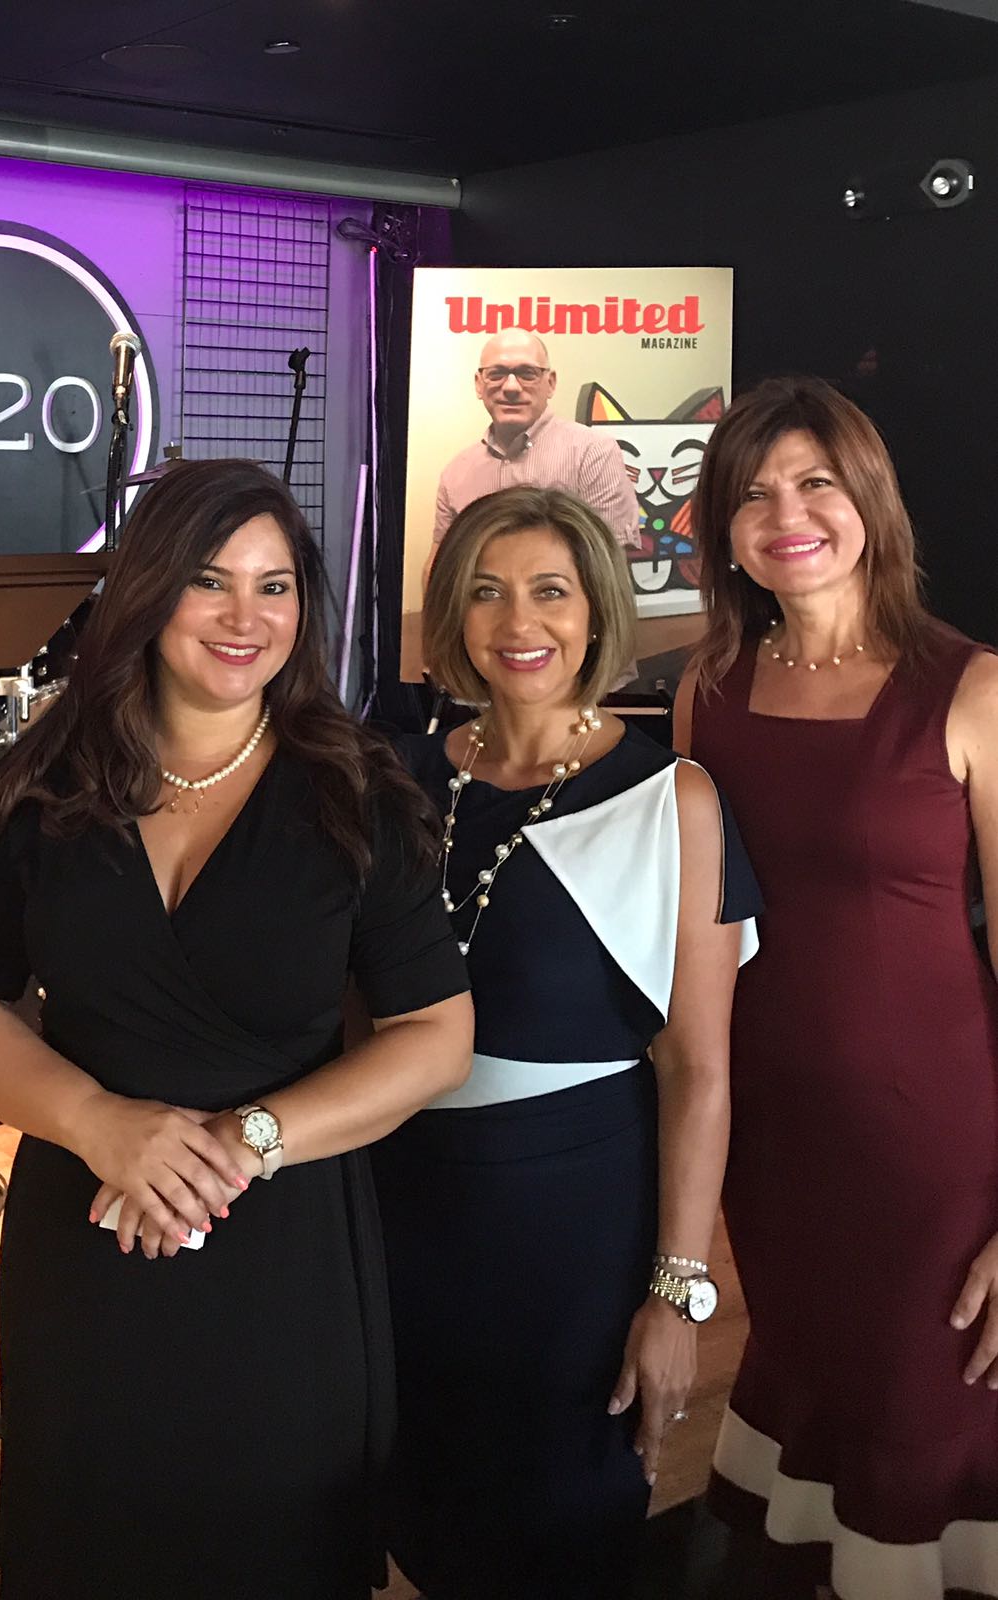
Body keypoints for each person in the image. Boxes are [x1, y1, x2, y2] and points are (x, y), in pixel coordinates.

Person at [0, 458, 474, 1600]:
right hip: (87, 1237)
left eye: (275, 587)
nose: (244, 617)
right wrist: (95, 1120)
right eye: (209, 581)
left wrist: (244, 1141)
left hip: (283, 1248)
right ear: (148, 589)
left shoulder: (353, 789)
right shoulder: (49, 780)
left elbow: (435, 1032)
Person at [375, 484, 760, 1599]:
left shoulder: (672, 799)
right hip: (403, 1206)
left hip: (572, 1224)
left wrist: (676, 1292)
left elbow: (698, 1068)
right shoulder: (401, 778)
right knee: (426, 1518)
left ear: (596, 609)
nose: (518, 623)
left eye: (550, 591)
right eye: (486, 593)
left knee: (559, 1530)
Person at [673, 375, 998, 1600]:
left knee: (924, 1424)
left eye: (814, 482)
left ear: (869, 498)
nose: (786, 515)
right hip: (773, 1149)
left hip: (935, 1157)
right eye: (752, 493)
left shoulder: (969, 688)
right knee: (819, 1405)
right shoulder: (707, 689)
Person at [423, 328, 640, 591]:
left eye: (527, 373)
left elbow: (611, 569)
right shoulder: (456, 473)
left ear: (551, 383)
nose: (511, 387)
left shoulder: (593, 454)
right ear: (479, 384)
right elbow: (437, 568)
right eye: (496, 374)